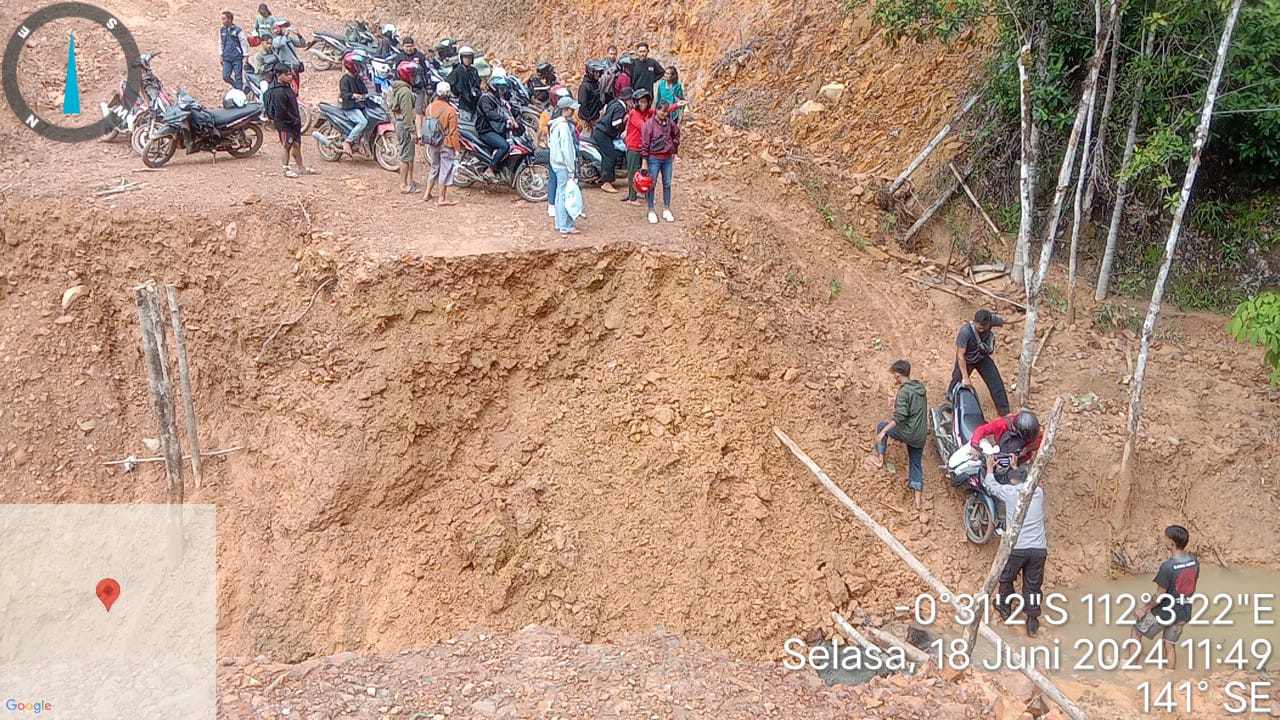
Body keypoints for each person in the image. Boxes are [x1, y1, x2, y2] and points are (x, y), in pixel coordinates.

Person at [982, 451, 1047, 637]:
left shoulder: (1009, 492)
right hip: (1039, 549)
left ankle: (1004, 607)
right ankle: (1032, 621)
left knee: (1006, 577)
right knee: (1032, 584)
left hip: (1017, 548)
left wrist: (989, 468)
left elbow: (991, 486)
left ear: (1011, 481)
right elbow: (1022, 483)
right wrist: (1015, 467)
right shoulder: (1038, 492)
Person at [1132, 525, 1199, 670]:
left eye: (1165, 538)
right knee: (1170, 645)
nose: (1164, 540)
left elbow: (1159, 595)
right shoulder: (1194, 561)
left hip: (1164, 613)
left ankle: (1132, 667)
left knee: (1136, 632)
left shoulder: (1167, 566)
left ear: (1172, 543)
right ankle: (1170, 674)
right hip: (1183, 612)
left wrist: (1143, 609)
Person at [872, 360, 928, 510]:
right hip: (921, 435)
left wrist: (883, 432)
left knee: (882, 426)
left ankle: (880, 459)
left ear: (898, 374)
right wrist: (896, 400)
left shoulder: (903, 391)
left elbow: (900, 417)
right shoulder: (920, 388)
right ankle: (917, 498)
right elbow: (913, 403)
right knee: (915, 463)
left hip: (908, 432)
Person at [949, 308, 1010, 416]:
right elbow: (960, 355)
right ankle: (950, 402)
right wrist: (965, 377)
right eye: (979, 327)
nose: (982, 330)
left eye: (984, 327)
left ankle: (1004, 411)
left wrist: (1027, 314)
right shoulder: (965, 332)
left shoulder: (992, 320)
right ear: (974, 321)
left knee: (996, 383)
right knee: (957, 382)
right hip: (967, 359)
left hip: (982, 358)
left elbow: (1007, 320)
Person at [262, 70, 315, 178]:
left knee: (297, 145)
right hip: (285, 124)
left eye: (290, 74)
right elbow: (281, 111)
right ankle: (285, 169)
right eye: (286, 75)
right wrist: (292, 119)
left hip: (294, 122)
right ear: (279, 75)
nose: (289, 77)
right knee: (287, 146)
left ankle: (301, 167)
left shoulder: (287, 87)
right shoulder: (278, 92)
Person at [640, 99, 681, 222]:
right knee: (651, 184)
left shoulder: (669, 124)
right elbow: (645, 145)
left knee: (667, 184)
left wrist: (672, 146)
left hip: (667, 158)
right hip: (654, 158)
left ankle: (666, 208)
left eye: (666, 112)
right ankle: (651, 209)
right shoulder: (648, 125)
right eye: (662, 111)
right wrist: (644, 161)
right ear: (657, 110)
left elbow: (677, 134)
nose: (664, 114)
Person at [422, 81, 460, 207]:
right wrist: (457, 149)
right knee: (445, 169)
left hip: (432, 142)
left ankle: (427, 194)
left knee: (434, 167)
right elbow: (453, 132)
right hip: (446, 143)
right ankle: (441, 198)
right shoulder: (450, 110)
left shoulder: (429, 107)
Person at [549, 95, 581, 235]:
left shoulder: (555, 125)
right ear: (566, 110)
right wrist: (571, 168)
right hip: (563, 164)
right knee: (565, 195)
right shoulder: (563, 127)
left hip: (555, 163)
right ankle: (566, 226)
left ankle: (559, 222)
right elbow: (567, 149)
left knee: (559, 192)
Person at [969, 409, 1041, 468]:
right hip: (1000, 450)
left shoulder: (1034, 434)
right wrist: (974, 446)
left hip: (1018, 458)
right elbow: (981, 430)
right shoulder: (1001, 425)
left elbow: (1034, 446)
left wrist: (1023, 454)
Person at [476, 74, 517, 176]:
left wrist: (512, 119)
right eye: (502, 89)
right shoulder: (485, 99)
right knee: (504, 146)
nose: (503, 91)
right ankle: (490, 168)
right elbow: (490, 114)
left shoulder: (497, 99)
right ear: (494, 88)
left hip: (496, 129)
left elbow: (505, 111)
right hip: (486, 130)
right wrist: (505, 119)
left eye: (504, 89)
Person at [591, 87, 630, 193]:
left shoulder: (614, 103)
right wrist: (623, 121)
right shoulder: (620, 108)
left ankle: (602, 176)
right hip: (604, 134)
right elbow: (615, 123)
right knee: (610, 155)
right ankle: (607, 182)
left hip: (599, 131)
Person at [387, 61, 419, 193]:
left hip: (399, 123)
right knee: (406, 156)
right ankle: (404, 185)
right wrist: (412, 131)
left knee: (408, 154)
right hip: (405, 125)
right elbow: (407, 113)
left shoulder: (397, 88)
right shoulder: (405, 92)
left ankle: (409, 181)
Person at [621, 88, 653, 205]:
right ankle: (632, 197)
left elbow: (661, 110)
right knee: (633, 172)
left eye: (645, 102)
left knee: (643, 172)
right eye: (641, 102)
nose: (643, 104)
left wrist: (675, 106)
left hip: (643, 147)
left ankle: (641, 192)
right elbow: (644, 127)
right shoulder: (635, 114)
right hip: (634, 147)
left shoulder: (648, 113)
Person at [337, 54, 369, 156]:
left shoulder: (358, 78)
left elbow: (365, 91)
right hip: (350, 107)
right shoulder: (345, 79)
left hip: (360, 106)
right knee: (363, 122)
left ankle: (361, 142)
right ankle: (348, 141)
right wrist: (353, 95)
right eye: (357, 65)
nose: (359, 67)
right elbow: (343, 94)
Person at [391, 36, 431, 114]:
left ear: (414, 46)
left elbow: (427, 71)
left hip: (418, 88)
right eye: (407, 46)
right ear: (403, 46)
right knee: (405, 111)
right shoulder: (399, 57)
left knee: (419, 111)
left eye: (410, 46)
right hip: (404, 88)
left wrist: (428, 86)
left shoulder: (420, 56)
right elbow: (394, 72)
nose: (409, 49)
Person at [270, 19, 307, 92]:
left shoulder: (289, 38)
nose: (285, 29)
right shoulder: (275, 40)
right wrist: (285, 35)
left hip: (295, 67)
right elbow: (281, 44)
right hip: (287, 68)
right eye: (283, 27)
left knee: (296, 88)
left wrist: (299, 35)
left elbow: (303, 44)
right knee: (291, 89)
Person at [447, 46, 482, 114]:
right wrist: (457, 94)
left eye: (469, 57)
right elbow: (449, 84)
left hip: (474, 102)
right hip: (462, 104)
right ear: (461, 58)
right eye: (465, 57)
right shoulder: (457, 71)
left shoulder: (474, 71)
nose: (467, 59)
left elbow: (478, 84)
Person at [219, 11, 248, 91]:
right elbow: (221, 43)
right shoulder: (222, 30)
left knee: (238, 76)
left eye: (224, 19)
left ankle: (239, 91)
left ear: (229, 19)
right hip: (227, 57)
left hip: (236, 57)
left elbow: (243, 42)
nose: (222, 21)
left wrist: (245, 55)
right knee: (225, 76)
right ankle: (237, 87)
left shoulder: (238, 30)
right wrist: (221, 55)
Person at [577, 61, 604, 129]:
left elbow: (597, 100)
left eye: (599, 72)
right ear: (590, 72)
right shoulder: (585, 86)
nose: (598, 74)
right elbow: (583, 104)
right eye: (596, 72)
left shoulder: (596, 84)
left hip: (595, 118)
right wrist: (588, 119)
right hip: (587, 120)